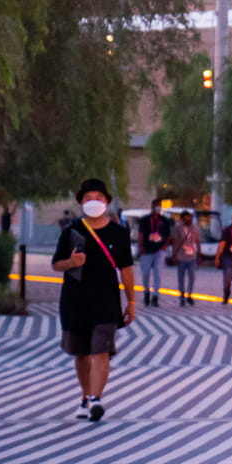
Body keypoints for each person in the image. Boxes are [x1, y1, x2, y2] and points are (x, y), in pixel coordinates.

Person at [53, 179, 135, 422]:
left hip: (106, 302)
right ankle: (86, 397)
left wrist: (131, 302)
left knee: (101, 351)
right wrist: (71, 263)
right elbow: (56, 264)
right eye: (88, 198)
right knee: (81, 354)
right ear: (80, 202)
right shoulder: (71, 232)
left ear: (107, 201)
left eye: (98, 197)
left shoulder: (118, 233)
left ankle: (96, 399)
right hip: (75, 301)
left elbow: (127, 270)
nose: (93, 202)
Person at [136, 198, 170, 307]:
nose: (158, 208)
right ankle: (146, 292)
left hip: (159, 250)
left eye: (160, 205)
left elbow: (168, 235)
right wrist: (140, 246)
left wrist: (165, 246)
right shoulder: (145, 219)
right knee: (145, 273)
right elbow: (140, 234)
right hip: (146, 250)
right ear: (152, 206)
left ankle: (155, 296)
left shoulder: (164, 220)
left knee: (158, 273)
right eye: (157, 205)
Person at [169, 209, 200, 305]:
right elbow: (174, 241)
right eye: (186, 218)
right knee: (181, 278)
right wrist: (174, 254)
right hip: (181, 256)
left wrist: (199, 254)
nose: (188, 219)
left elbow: (198, 241)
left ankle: (189, 295)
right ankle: (181, 296)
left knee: (192, 277)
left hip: (192, 256)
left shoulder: (195, 228)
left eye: (189, 217)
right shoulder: (178, 228)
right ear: (182, 219)